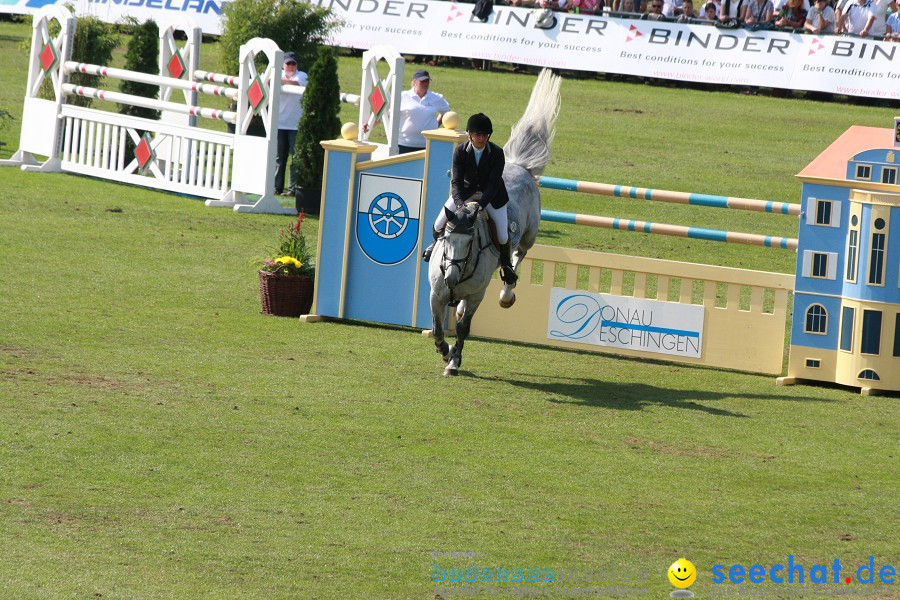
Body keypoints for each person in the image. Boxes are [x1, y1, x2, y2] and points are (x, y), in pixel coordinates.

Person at [422, 113, 517, 285]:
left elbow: (494, 184)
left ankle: (506, 265)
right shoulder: (460, 151)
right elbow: (456, 182)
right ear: (470, 134)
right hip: (465, 194)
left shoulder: (497, 153)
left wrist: (480, 206)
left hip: (492, 197)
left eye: (484, 135)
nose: (481, 138)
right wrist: (460, 204)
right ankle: (434, 245)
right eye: (477, 134)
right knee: (438, 224)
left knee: (503, 236)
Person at [275, 51, 307, 196]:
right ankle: (277, 187)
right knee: (279, 159)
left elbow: (295, 83)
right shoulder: (278, 74)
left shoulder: (302, 75)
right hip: (280, 123)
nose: (291, 66)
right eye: (288, 63)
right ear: (283, 65)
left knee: (295, 158)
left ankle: (292, 189)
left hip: (295, 124)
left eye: (293, 63)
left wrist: (276, 80)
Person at [398, 70, 451, 154]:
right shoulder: (402, 96)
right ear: (414, 82)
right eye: (422, 81)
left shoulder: (435, 98)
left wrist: (437, 124)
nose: (425, 84)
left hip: (427, 145)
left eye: (427, 81)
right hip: (404, 144)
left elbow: (446, 111)